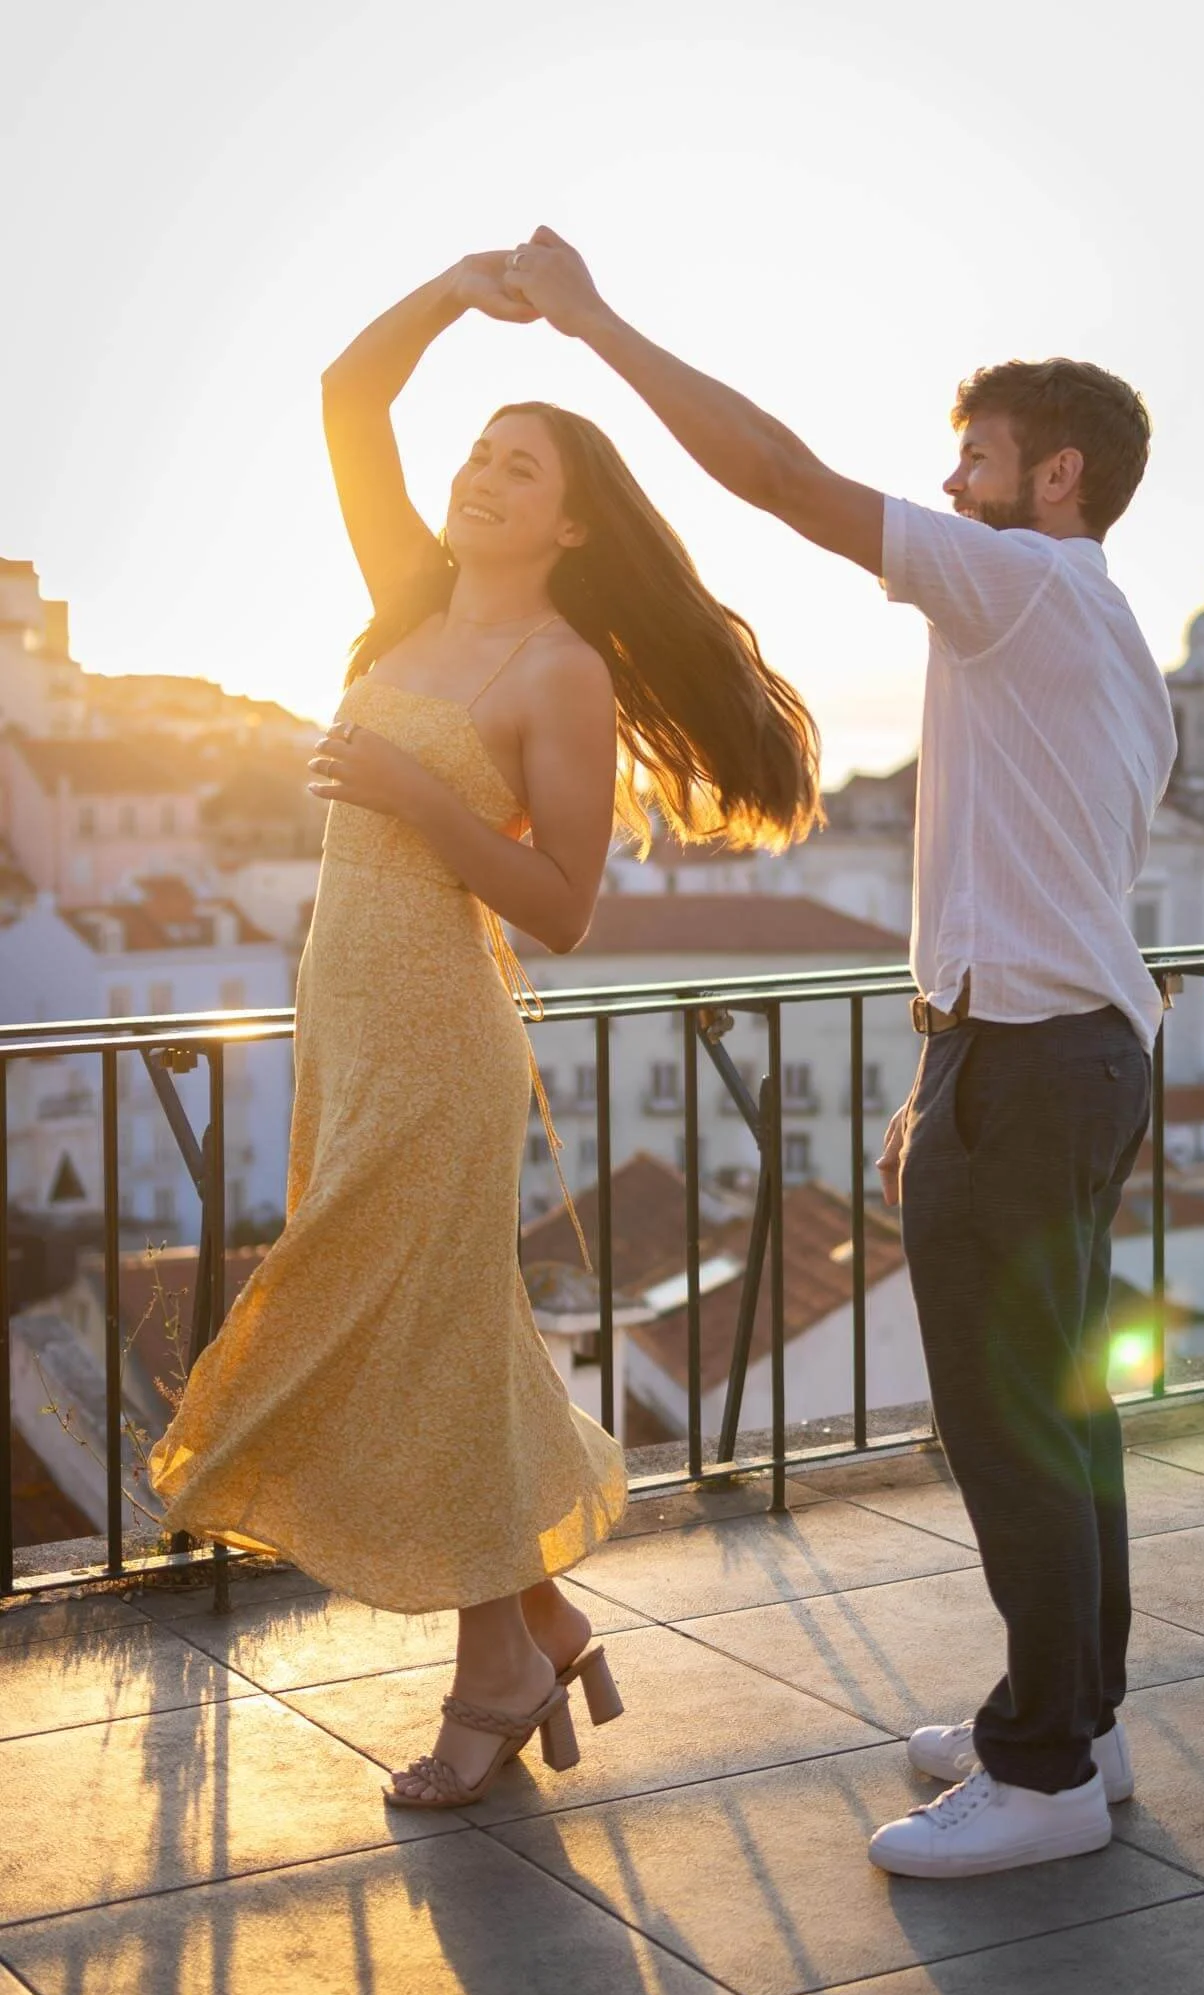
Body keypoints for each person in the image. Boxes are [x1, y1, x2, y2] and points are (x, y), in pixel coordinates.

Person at [503, 228, 1176, 1877]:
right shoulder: (1114, 640)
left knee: (1012, 1422)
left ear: (1060, 476)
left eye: (980, 459)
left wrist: (595, 322)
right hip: (1064, 1056)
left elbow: (777, 476)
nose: (951, 486)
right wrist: (938, 1069)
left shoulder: (1015, 582)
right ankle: (1071, 1721)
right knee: (1065, 1416)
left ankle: (1041, 1778)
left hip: (1028, 1067)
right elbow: (1023, 882)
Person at [149, 248, 821, 1811]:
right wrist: (458, 285)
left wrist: (420, 795)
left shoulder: (561, 669)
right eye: (477, 454)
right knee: (452, 1334)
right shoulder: (405, 605)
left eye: (519, 466)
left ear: (574, 521)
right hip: (345, 1023)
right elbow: (347, 394)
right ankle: (535, 1611)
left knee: (405, 1328)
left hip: (445, 1033)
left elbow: (564, 904)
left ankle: (495, 1670)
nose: (479, 476)